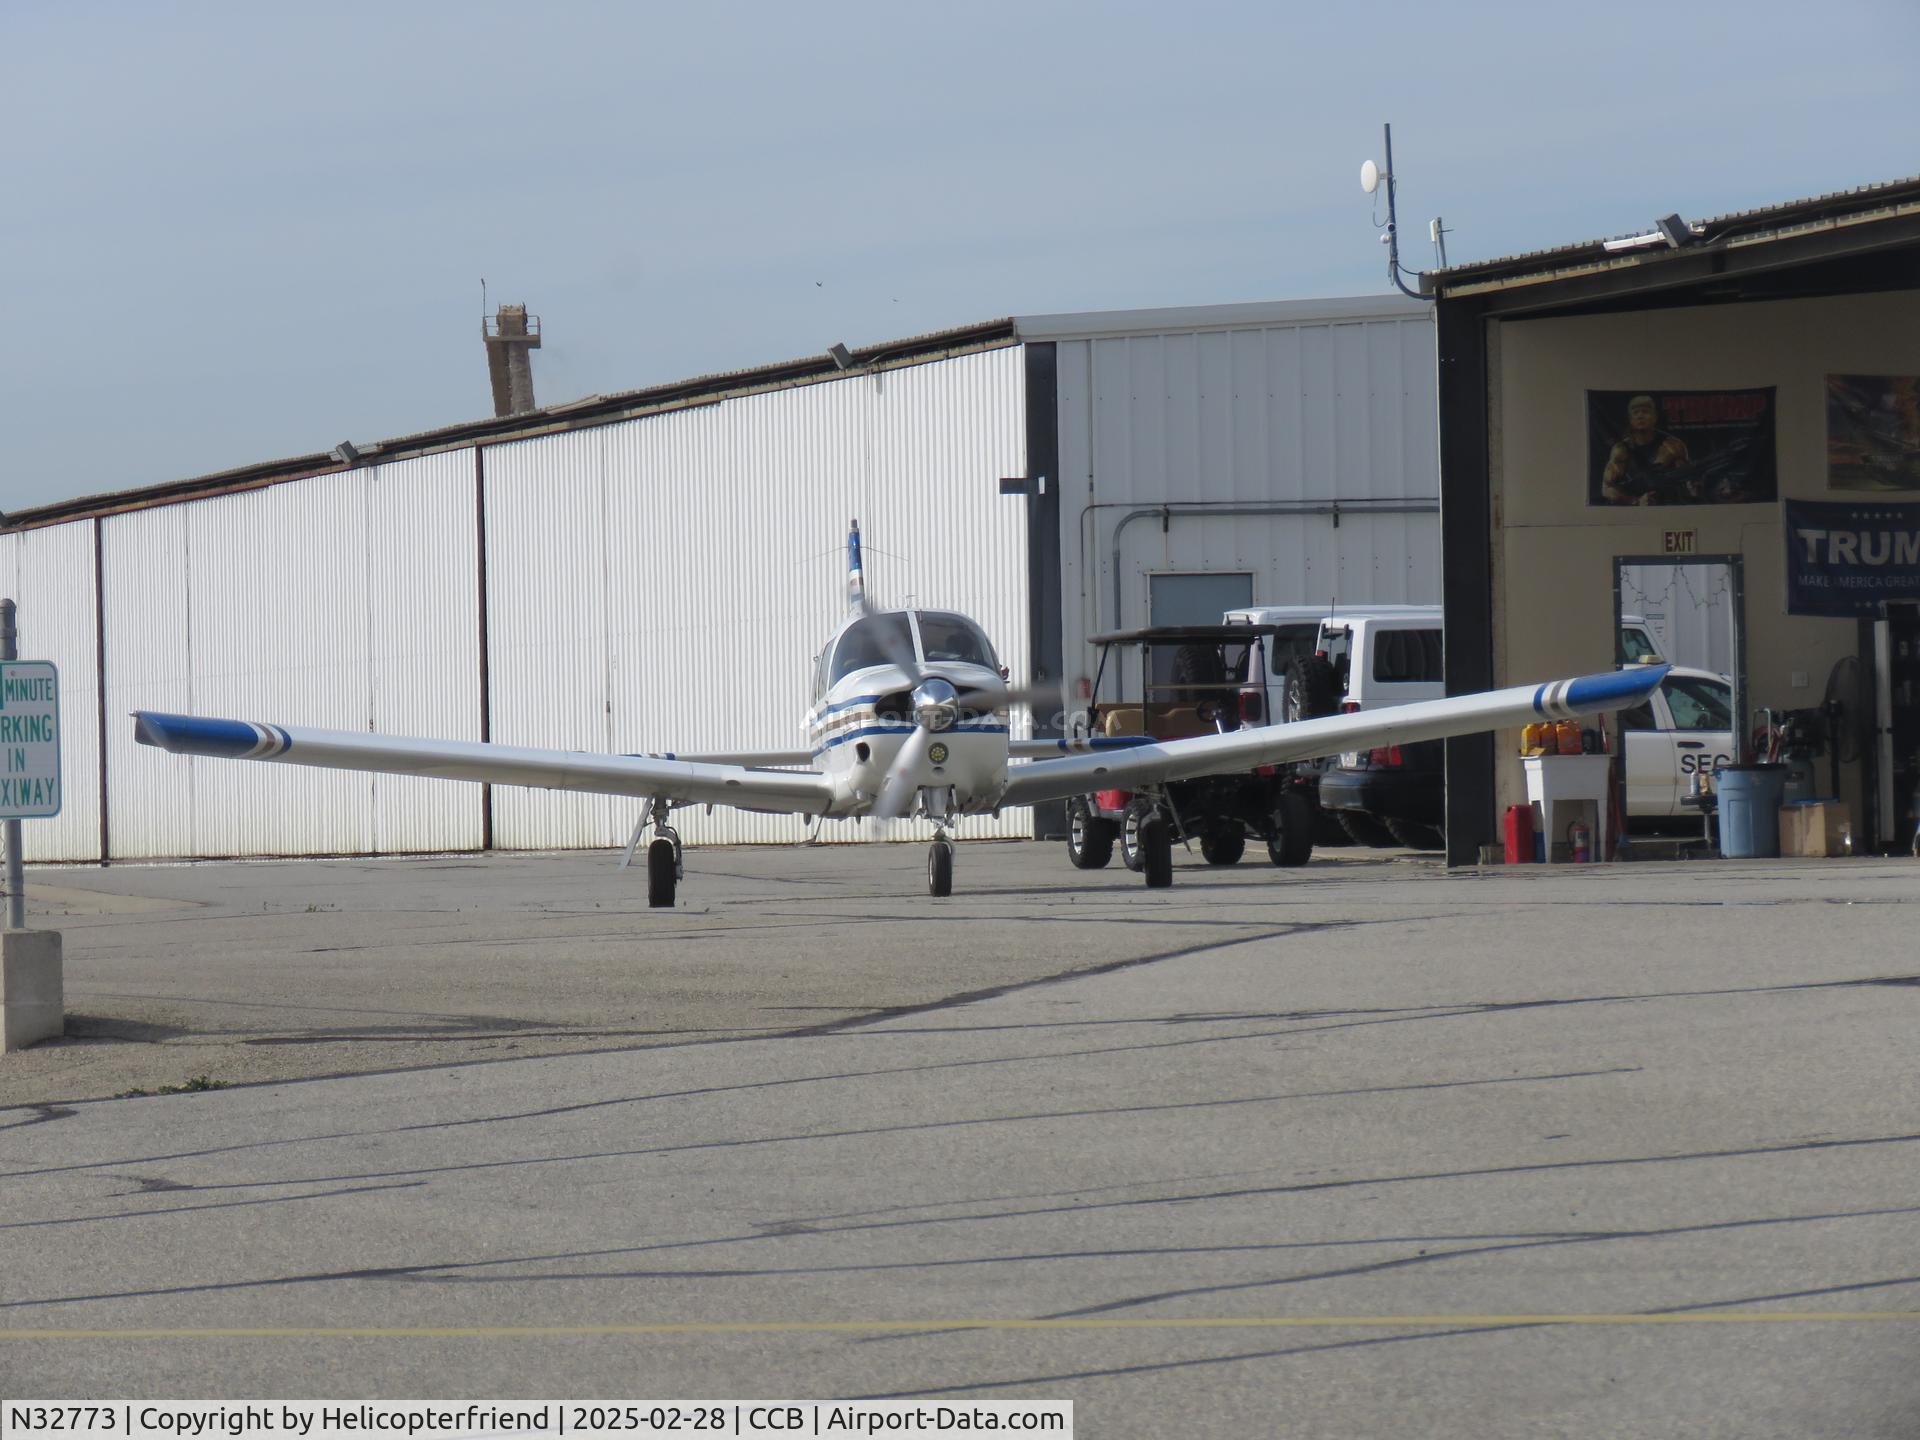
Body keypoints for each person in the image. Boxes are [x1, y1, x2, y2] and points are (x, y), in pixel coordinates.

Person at [1601, 394, 1691, 504]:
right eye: (1636, 412)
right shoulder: (1621, 450)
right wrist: (1636, 501)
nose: (1640, 416)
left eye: (1645, 411)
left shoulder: (1673, 446)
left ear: (1655, 417)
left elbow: (1687, 481)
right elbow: (1607, 489)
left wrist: (1693, 488)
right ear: (1630, 419)